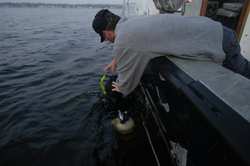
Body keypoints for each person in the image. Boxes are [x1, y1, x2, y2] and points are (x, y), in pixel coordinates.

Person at [92, 9, 250, 95]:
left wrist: (119, 87)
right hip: (219, 31)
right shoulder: (130, 22)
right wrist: (116, 59)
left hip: (220, 44)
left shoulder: (123, 40)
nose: (108, 41)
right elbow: (134, 44)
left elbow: (126, 86)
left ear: (106, 33)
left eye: (105, 38)